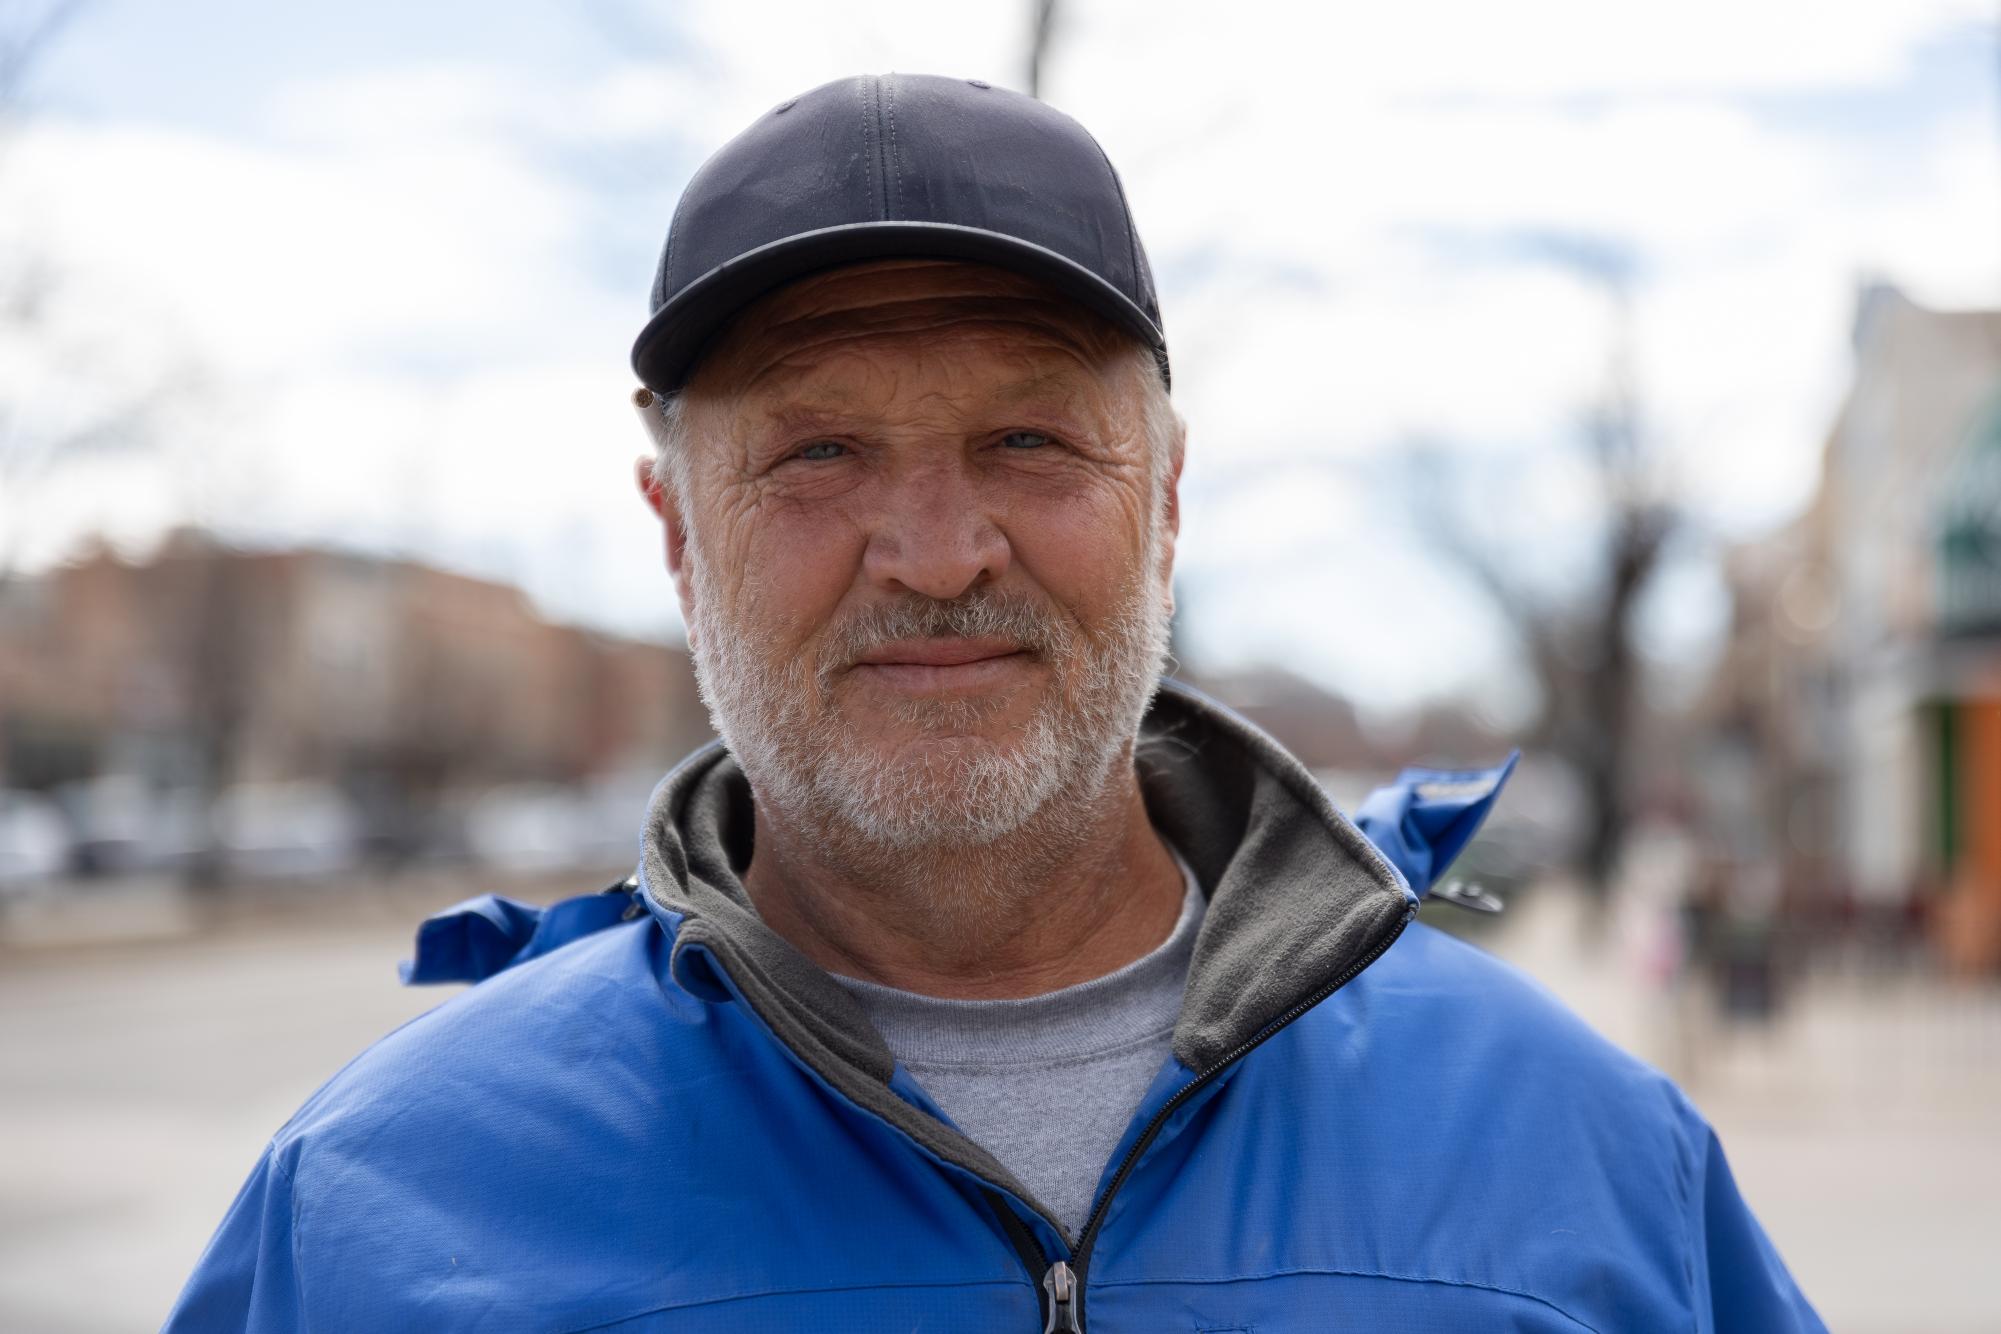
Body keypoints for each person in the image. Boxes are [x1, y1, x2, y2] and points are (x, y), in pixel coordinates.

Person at [166, 74, 1823, 1332]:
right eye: (817, 452)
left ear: (1165, 497)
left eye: (1027, 439)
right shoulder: (378, 1209)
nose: (940, 553)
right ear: (676, 535)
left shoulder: (1583, 1158)